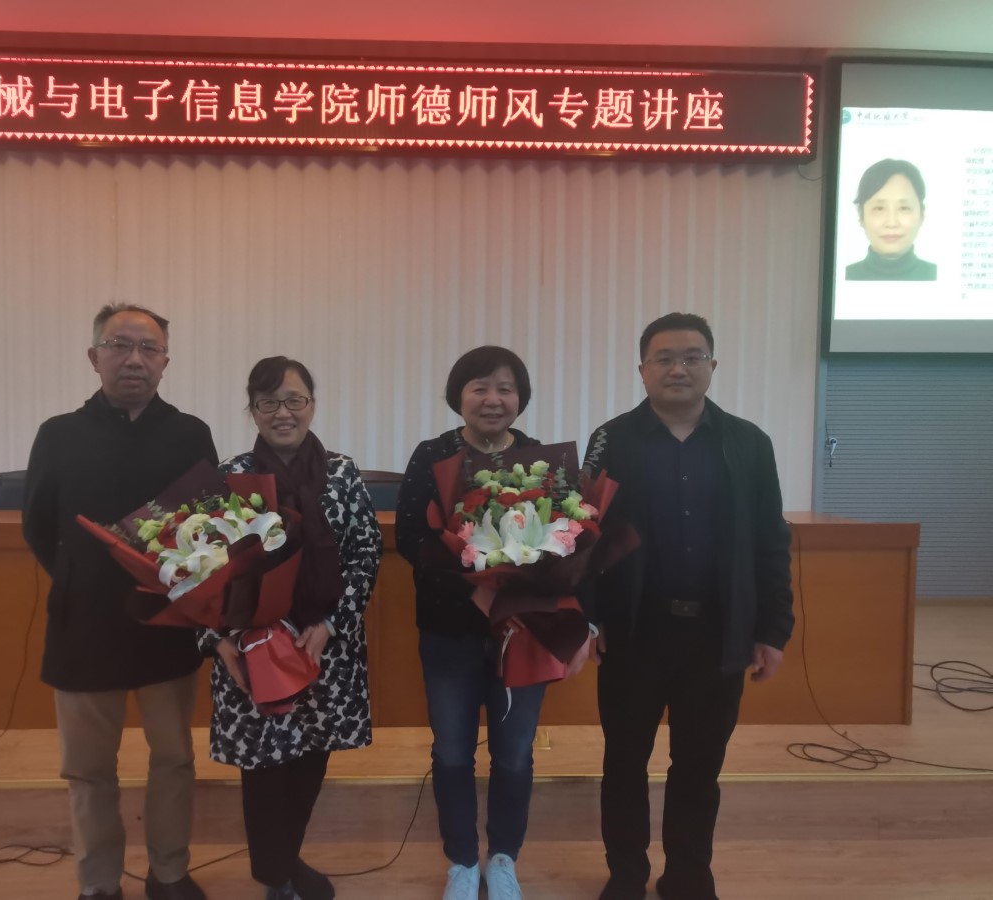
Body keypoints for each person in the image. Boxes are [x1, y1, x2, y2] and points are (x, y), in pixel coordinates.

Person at [583, 312, 794, 900]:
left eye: (692, 356)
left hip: (716, 632)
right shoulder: (612, 439)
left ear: (713, 365)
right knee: (624, 762)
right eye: (665, 358)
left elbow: (770, 540)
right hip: (634, 632)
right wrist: (589, 617)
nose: (679, 368)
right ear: (642, 370)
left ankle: (688, 874)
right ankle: (626, 874)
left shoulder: (748, 443)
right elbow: (583, 535)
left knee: (699, 765)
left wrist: (773, 629)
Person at [23, 303, 217, 900]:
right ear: (94, 357)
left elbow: (208, 528)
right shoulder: (58, 435)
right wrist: (84, 578)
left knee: (174, 759)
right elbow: (38, 526)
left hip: (166, 623)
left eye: (148, 348)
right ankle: (98, 883)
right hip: (84, 625)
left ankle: (169, 873)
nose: (134, 359)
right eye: (119, 345)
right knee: (87, 769)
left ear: (165, 363)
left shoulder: (191, 435)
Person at [396, 346, 591, 900]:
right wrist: (477, 587)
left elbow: (572, 538)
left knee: (514, 751)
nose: (492, 399)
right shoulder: (432, 455)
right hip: (449, 631)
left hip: (522, 633)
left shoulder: (542, 459)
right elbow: (412, 540)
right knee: (452, 750)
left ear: (520, 398)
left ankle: (503, 857)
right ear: (458, 395)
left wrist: (571, 620)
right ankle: (461, 860)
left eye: (505, 388)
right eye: (479, 387)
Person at [198, 356, 381, 900]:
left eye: (294, 400)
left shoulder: (343, 472)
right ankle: (274, 874)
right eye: (268, 402)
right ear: (253, 411)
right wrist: (218, 640)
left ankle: (282, 863)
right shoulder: (228, 477)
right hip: (252, 648)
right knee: (264, 768)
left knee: (309, 761)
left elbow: (365, 554)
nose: (283, 412)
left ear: (312, 406)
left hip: (325, 647)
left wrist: (330, 623)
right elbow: (197, 568)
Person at [844, 158, 937, 281]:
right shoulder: (845, 275)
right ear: (861, 215)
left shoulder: (938, 275)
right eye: (879, 208)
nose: (891, 223)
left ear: (922, 214)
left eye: (904, 208)